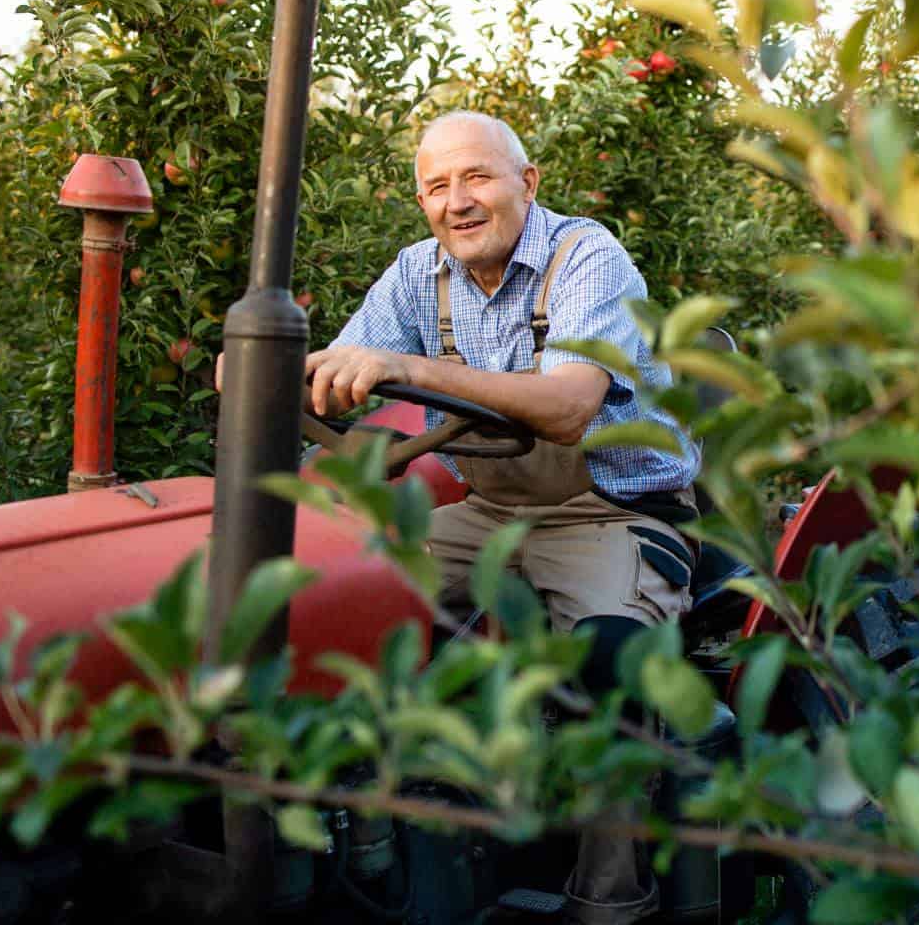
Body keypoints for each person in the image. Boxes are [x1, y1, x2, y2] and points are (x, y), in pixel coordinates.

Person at [227, 112, 698, 923]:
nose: (459, 202)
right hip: (492, 511)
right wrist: (267, 368)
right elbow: (344, 369)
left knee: (612, 658)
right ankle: (357, 830)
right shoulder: (419, 275)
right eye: (437, 187)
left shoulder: (585, 258)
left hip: (613, 511)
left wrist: (409, 365)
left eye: (477, 177)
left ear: (529, 182)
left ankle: (609, 897)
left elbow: (567, 406)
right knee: (333, 599)